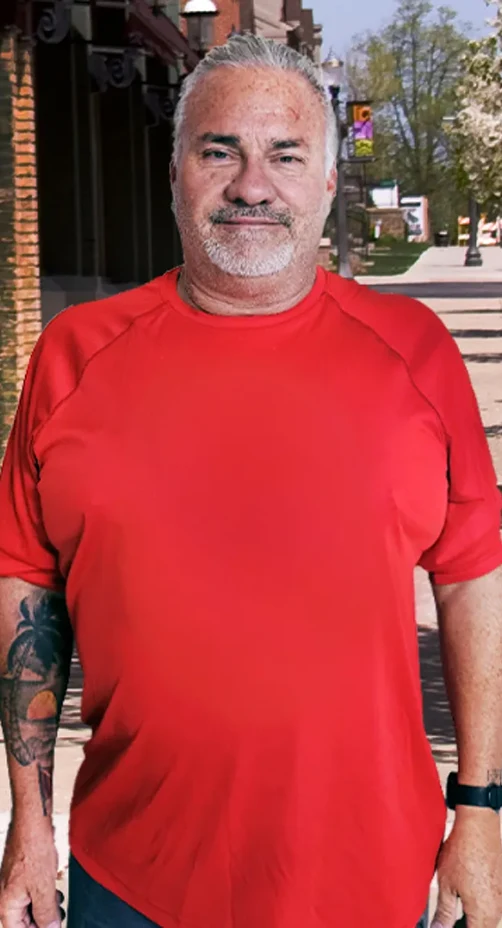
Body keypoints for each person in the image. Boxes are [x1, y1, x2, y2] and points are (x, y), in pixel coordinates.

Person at [0, 34, 500, 928]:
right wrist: (29, 825)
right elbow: (26, 586)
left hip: (370, 878)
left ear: (326, 181)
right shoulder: (74, 357)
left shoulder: (414, 354)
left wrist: (482, 807)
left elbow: (473, 582)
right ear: (175, 174)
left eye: (285, 155)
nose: (251, 186)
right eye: (219, 151)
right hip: (132, 879)